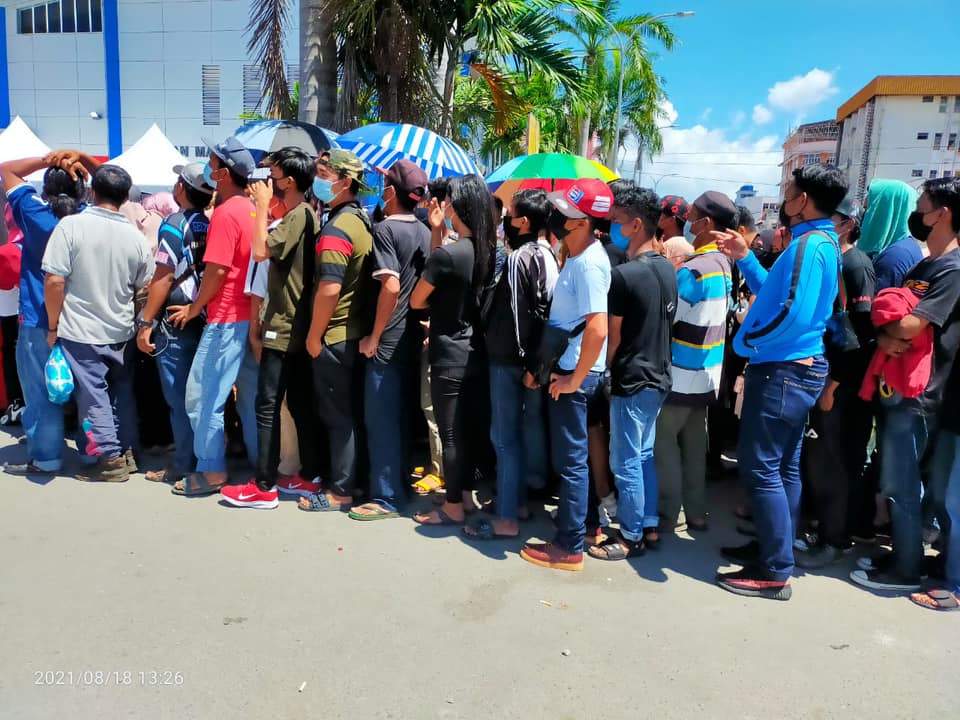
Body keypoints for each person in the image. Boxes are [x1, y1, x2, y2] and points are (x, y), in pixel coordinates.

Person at [714, 164, 847, 600]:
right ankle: (775, 550)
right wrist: (745, 257)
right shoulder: (820, 242)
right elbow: (777, 292)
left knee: (762, 469)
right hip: (794, 368)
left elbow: (789, 310)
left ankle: (774, 570)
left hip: (784, 369)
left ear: (803, 199)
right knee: (783, 466)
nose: (784, 195)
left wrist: (746, 340)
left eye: (789, 190)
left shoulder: (810, 245)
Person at [850, 178, 960, 592]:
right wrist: (885, 332)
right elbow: (889, 314)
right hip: (895, 386)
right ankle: (903, 554)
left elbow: (913, 323)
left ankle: (907, 569)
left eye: (924, 205)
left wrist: (889, 324)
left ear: (943, 213)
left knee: (903, 485)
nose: (918, 212)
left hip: (919, 393)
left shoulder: (952, 269)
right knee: (896, 481)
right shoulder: (924, 263)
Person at [220, 147, 322, 509]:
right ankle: (308, 476)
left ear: (289, 182)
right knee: (297, 403)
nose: (267, 184)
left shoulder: (297, 217)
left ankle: (263, 485)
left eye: (273, 177)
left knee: (267, 404)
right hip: (294, 323)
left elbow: (261, 249)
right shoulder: (307, 215)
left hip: (283, 325)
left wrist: (262, 206)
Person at [519, 179, 612, 571]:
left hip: (577, 374)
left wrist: (574, 379)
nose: (558, 218)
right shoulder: (578, 257)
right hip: (576, 369)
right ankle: (587, 526)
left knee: (572, 461)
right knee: (578, 459)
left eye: (567, 214)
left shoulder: (589, 264)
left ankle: (569, 546)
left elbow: (598, 327)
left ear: (584, 223)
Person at [42, 165, 153, 482]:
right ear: (125, 197)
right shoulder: (135, 237)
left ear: (92, 191)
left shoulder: (71, 227)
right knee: (121, 392)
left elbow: (54, 282)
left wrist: (53, 326)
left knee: (93, 396)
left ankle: (110, 460)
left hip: (82, 330)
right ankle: (127, 451)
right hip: (121, 329)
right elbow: (142, 286)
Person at [587, 184, 677, 560]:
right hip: (659, 375)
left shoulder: (624, 276)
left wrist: (603, 373)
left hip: (632, 377)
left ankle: (630, 536)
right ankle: (649, 525)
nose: (611, 230)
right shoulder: (667, 269)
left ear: (637, 224)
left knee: (624, 461)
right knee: (642, 456)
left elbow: (614, 337)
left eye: (618, 222)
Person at [464, 188, 557, 539]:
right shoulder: (547, 253)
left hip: (511, 360)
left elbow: (521, 317)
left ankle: (505, 518)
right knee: (521, 432)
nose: (506, 217)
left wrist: (525, 362)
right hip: (531, 362)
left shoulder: (520, 258)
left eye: (511, 213)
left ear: (523, 221)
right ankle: (515, 501)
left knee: (504, 439)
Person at [167, 136, 257, 497]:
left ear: (222, 173)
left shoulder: (226, 212)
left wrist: (194, 307)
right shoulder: (252, 210)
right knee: (249, 398)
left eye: (213, 162)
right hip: (251, 315)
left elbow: (217, 270)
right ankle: (257, 463)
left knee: (203, 397)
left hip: (226, 317)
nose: (210, 167)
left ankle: (211, 470)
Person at [1, 150, 97, 475]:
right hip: (83, 319)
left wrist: (49, 159)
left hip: (38, 317)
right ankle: (93, 455)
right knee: (89, 390)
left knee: (40, 392)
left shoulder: (34, 214)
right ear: (82, 188)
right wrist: (81, 159)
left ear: (46, 190)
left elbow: (7, 169)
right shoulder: (89, 216)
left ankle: (46, 457)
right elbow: (112, 180)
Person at [410, 174, 497, 526]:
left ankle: (453, 505)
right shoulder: (489, 251)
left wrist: (437, 239)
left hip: (448, 350)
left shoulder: (448, 255)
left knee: (450, 433)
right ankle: (464, 497)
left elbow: (418, 299)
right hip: (477, 350)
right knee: (469, 429)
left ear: (457, 207)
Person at [350, 160, 431, 520]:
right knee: (399, 416)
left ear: (392, 192)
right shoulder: (427, 232)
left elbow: (391, 285)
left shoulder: (385, 229)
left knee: (381, 419)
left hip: (388, 339)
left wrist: (374, 336)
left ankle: (385, 497)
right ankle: (397, 485)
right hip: (411, 336)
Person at [798, 197, 876, 568]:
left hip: (841, 384)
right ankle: (823, 530)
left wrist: (833, 383)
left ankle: (834, 539)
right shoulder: (836, 258)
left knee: (835, 463)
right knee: (822, 459)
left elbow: (861, 333)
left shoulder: (854, 263)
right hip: (829, 375)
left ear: (845, 223)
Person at [655, 191, 735, 534]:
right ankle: (697, 512)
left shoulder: (693, 270)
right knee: (692, 443)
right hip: (708, 372)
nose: (688, 221)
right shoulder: (723, 265)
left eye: (693, 215)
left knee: (664, 442)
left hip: (681, 371)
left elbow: (670, 317)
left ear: (707, 224)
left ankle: (669, 513)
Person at [301, 149, 374, 512]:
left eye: (323, 174)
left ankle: (340, 490)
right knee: (350, 414)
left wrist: (314, 336)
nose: (319, 180)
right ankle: (353, 483)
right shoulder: (359, 220)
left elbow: (329, 288)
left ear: (344, 182)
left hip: (334, 336)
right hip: (352, 333)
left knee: (337, 418)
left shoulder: (338, 228)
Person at [136, 163, 214, 485]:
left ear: (182, 188)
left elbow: (163, 276)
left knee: (179, 398)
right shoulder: (209, 224)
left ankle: (184, 464)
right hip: (204, 315)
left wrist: (145, 321)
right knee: (202, 396)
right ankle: (203, 456)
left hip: (175, 320)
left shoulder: (173, 225)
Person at [858, 179, 922, 290]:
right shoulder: (904, 246)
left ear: (885, 212)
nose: (865, 215)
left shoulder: (894, 257)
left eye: (867, 209)